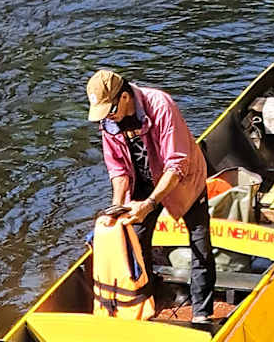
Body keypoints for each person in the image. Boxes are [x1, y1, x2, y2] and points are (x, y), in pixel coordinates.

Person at [86, 67, 216, 324]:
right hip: (142, 182)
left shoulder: (160, 105)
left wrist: (150, 204)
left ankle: (202, 313)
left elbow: (176, 165)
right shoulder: (109, 122)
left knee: (199, 243)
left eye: (110, 110)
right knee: (135, 239)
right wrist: (117, 207)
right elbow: (118, 170)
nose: (109, 117)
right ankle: (147, 302)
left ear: (124, 97)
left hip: (182, 180)